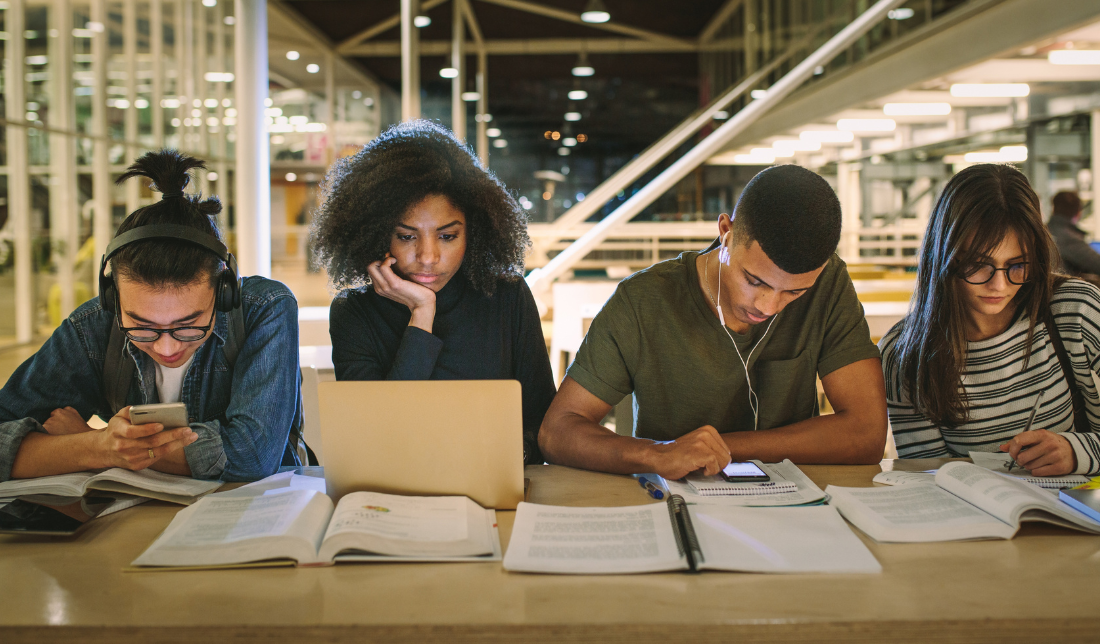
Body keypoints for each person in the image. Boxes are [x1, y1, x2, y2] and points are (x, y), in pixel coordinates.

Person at [538, 164, 888, 479]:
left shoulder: (829, 284)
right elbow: (557, 432)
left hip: (795, 508)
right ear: (726, 232)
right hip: (676, 505)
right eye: (754, 280)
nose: (768, 306)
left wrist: (722, 448)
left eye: (793, 293)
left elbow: (867, 434)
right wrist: (657, 454)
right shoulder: (643, 301)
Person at [0, 150, 305, 482]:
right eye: (142, 327)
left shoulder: (264, 309)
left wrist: (88, 445)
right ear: (112, 298)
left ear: (225, 291)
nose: (167, 348)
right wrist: (97, 446)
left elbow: (253, 455)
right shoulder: (93, 326)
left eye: (189, 326)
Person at [310, 120, 555, 464]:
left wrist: (506, 456)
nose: (428, 257)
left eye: (447, 236)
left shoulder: (506, 297)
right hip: (395, 493)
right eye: (407, 236)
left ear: (474, 232)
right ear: (378, 234)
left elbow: (544, 425)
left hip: (493, 485)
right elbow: (378, 437)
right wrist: (422, 313)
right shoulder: (354, 313)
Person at [880, 165, 1100, 476]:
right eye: (978, 265)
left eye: (1017, 265)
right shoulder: (904, 352)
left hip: (1080, 518)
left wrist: (1078, 453)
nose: (999, 286)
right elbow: (927, 476)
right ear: (944, 255)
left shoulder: (1076, 311)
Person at [1047, 191, 1100, 278]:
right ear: (1078, 212)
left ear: (1053, 209)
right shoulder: (1069, 238)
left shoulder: (1044, 231)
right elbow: (1097, 264)